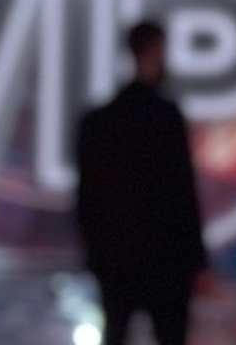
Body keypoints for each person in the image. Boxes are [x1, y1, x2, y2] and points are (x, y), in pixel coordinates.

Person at [75, 20, 209, 345]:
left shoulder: (99, 123)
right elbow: (182, 194)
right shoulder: (165, 118)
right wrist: (195, 258)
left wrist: (95, 254)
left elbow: (86, 199)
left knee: (117, 333)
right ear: (154, 51)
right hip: (165, 260)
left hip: (118, 259)